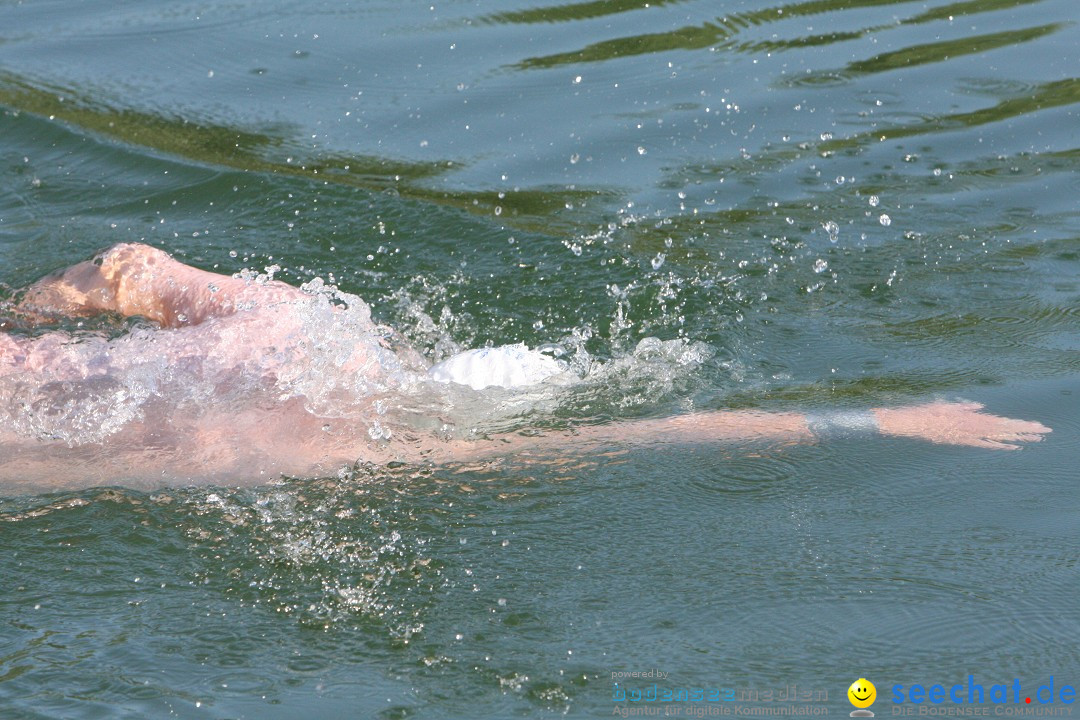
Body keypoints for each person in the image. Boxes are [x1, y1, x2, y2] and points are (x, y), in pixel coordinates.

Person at [0, 243, 1051, 492]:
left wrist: (45, 307)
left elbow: (127, 270)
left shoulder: (291, 348)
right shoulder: (338, 428)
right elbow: (624, 435)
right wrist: (877, 422)